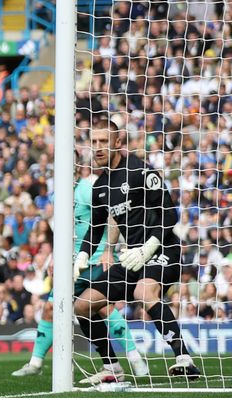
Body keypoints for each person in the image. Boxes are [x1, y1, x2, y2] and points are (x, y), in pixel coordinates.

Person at [73, 113, 198, 383]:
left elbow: (170, 214)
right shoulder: (100, 188)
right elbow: (96, 229)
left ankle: (183, 358)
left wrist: (148, 247)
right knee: (82, 306)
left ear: (117, 141)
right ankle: (111, 367)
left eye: (104, 141)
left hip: (163, 248)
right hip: (131, 258)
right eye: (93, 141)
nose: (98, 147)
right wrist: (82, 255)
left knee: (144, 291)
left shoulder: (141, 170)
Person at [12, 170, 149, 378]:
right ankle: (36, 363)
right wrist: (56, 257)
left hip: (94, 259)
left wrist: (107, 250)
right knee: (50, 308)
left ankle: (135, 358)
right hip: (71, 264)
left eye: (74, 168)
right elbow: (63, 230)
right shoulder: (57, 196)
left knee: (103, 308)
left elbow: (112, 215)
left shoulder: (87, 190)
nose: (71, 172)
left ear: (77, 169)